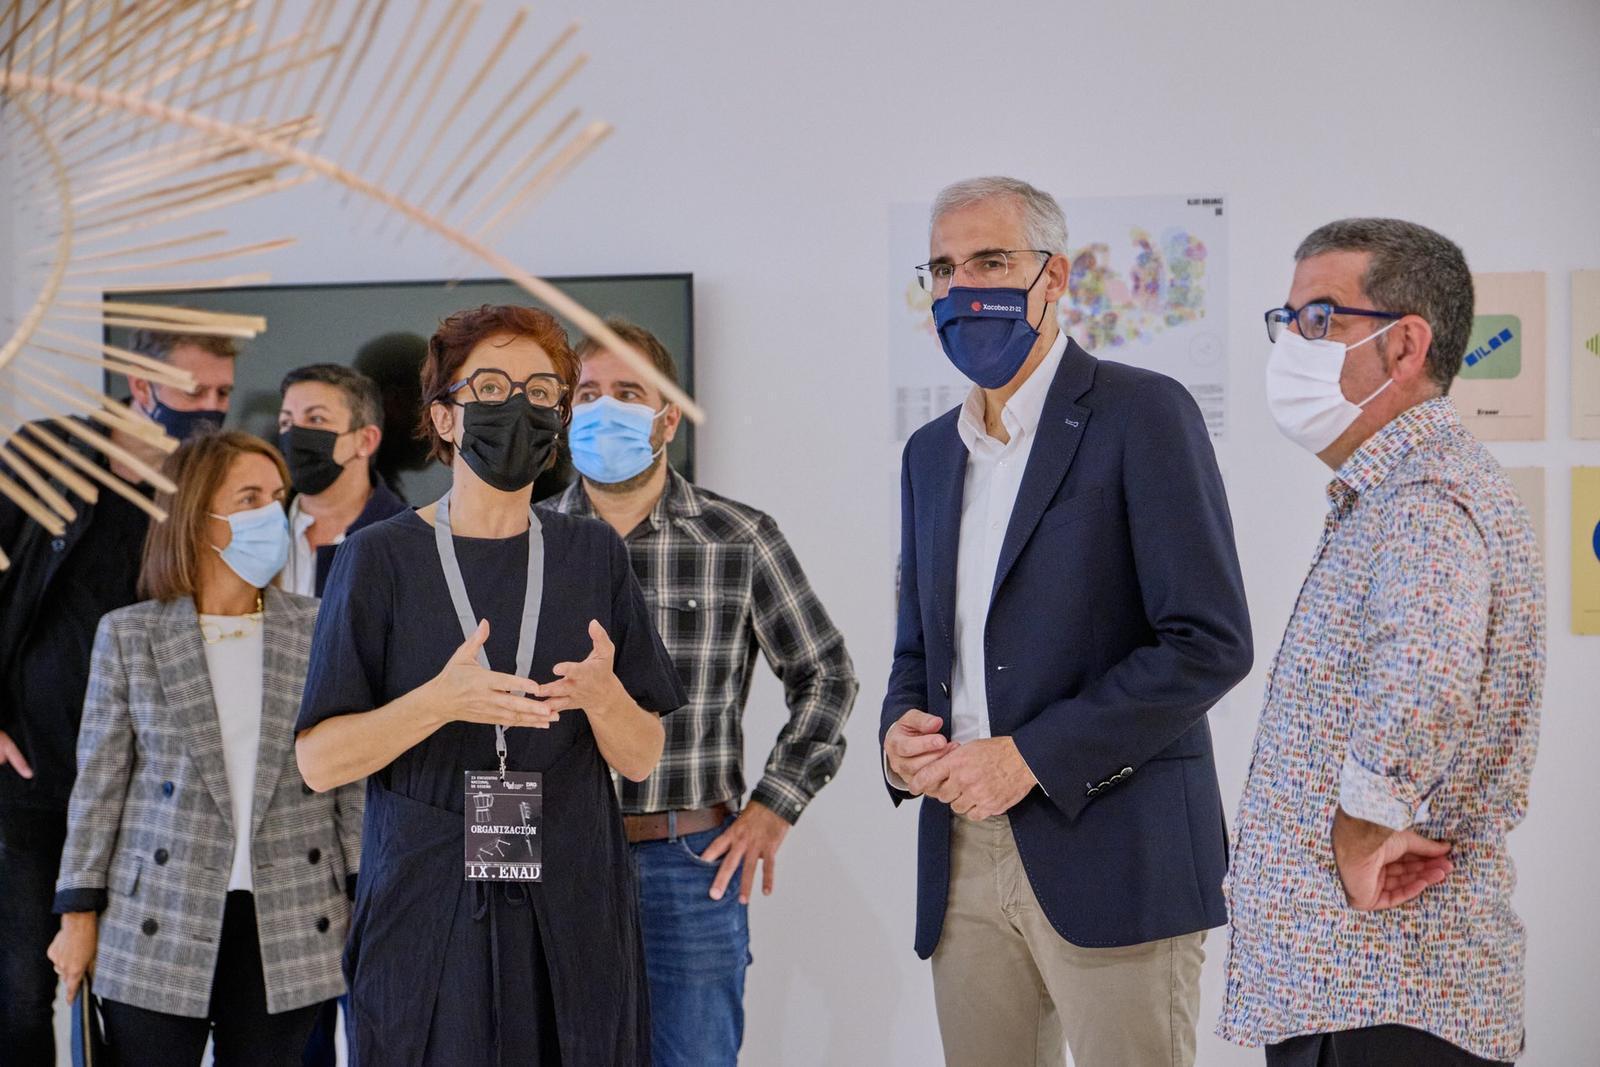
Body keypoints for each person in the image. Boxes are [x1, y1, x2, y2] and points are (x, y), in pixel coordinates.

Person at [880, 176, 1253, 1067]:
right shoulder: (929, 455)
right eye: (942, 269)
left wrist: (1031, 756)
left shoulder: (1142, 412)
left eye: (990, 261)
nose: (961, 287)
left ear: (1055, 277)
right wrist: (897, 738)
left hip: (1116, 845)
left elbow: (1208, 641)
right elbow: (919, 648)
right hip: (961, 855)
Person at [294, 304, 686, 1066]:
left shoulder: (592, 553)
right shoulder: (379, 558)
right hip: (428, 907)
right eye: (494, 386)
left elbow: (642, 755)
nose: (520, 406)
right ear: (444, 417)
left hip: (572, 901)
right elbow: (318, 760)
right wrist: (437, 703)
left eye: (542, 392)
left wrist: (604, 698)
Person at [1218, 219, 1545, 1067]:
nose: (1292, 344)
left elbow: (1423, 686)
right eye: (1288, 320)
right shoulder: (1395, 493)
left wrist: (1357, 836)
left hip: (1387, 990)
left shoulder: (1425, 499)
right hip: (1354, 991)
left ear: (1405, 345)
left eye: (1319, 318)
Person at [546, 318, 858, 1066]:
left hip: (687, 859)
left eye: (629, 393)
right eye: (588, 394)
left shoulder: (737, 537)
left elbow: (826, 673)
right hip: (551, 855)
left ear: (667, 418)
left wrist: (774, 805)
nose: (605, 409)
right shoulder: (526, 539)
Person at [46, 430, 361, 1065]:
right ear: (196, 515)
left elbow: (347, 781)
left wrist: (362, 894)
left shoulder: (319, 626)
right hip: (156, 913)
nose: (272, 513)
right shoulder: (130, 635)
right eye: (249, 498)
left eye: (276, 496)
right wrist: (76, 914)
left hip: (293, 913)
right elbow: (98, 788)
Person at [0, 328, 235, 1063]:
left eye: (223, 393)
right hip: (32, 777)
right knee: (19, 993)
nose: (211, 407)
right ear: (140, 386)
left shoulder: (199, 489)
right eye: (195, 390)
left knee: (133, 996)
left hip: (144, 796)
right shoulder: (49, 456)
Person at [278, 363, 408, 599]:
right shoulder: (258, 527)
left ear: (366, 441)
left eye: (316, 419)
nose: (295, 435)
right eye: (286, 422)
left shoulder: (406, 538)